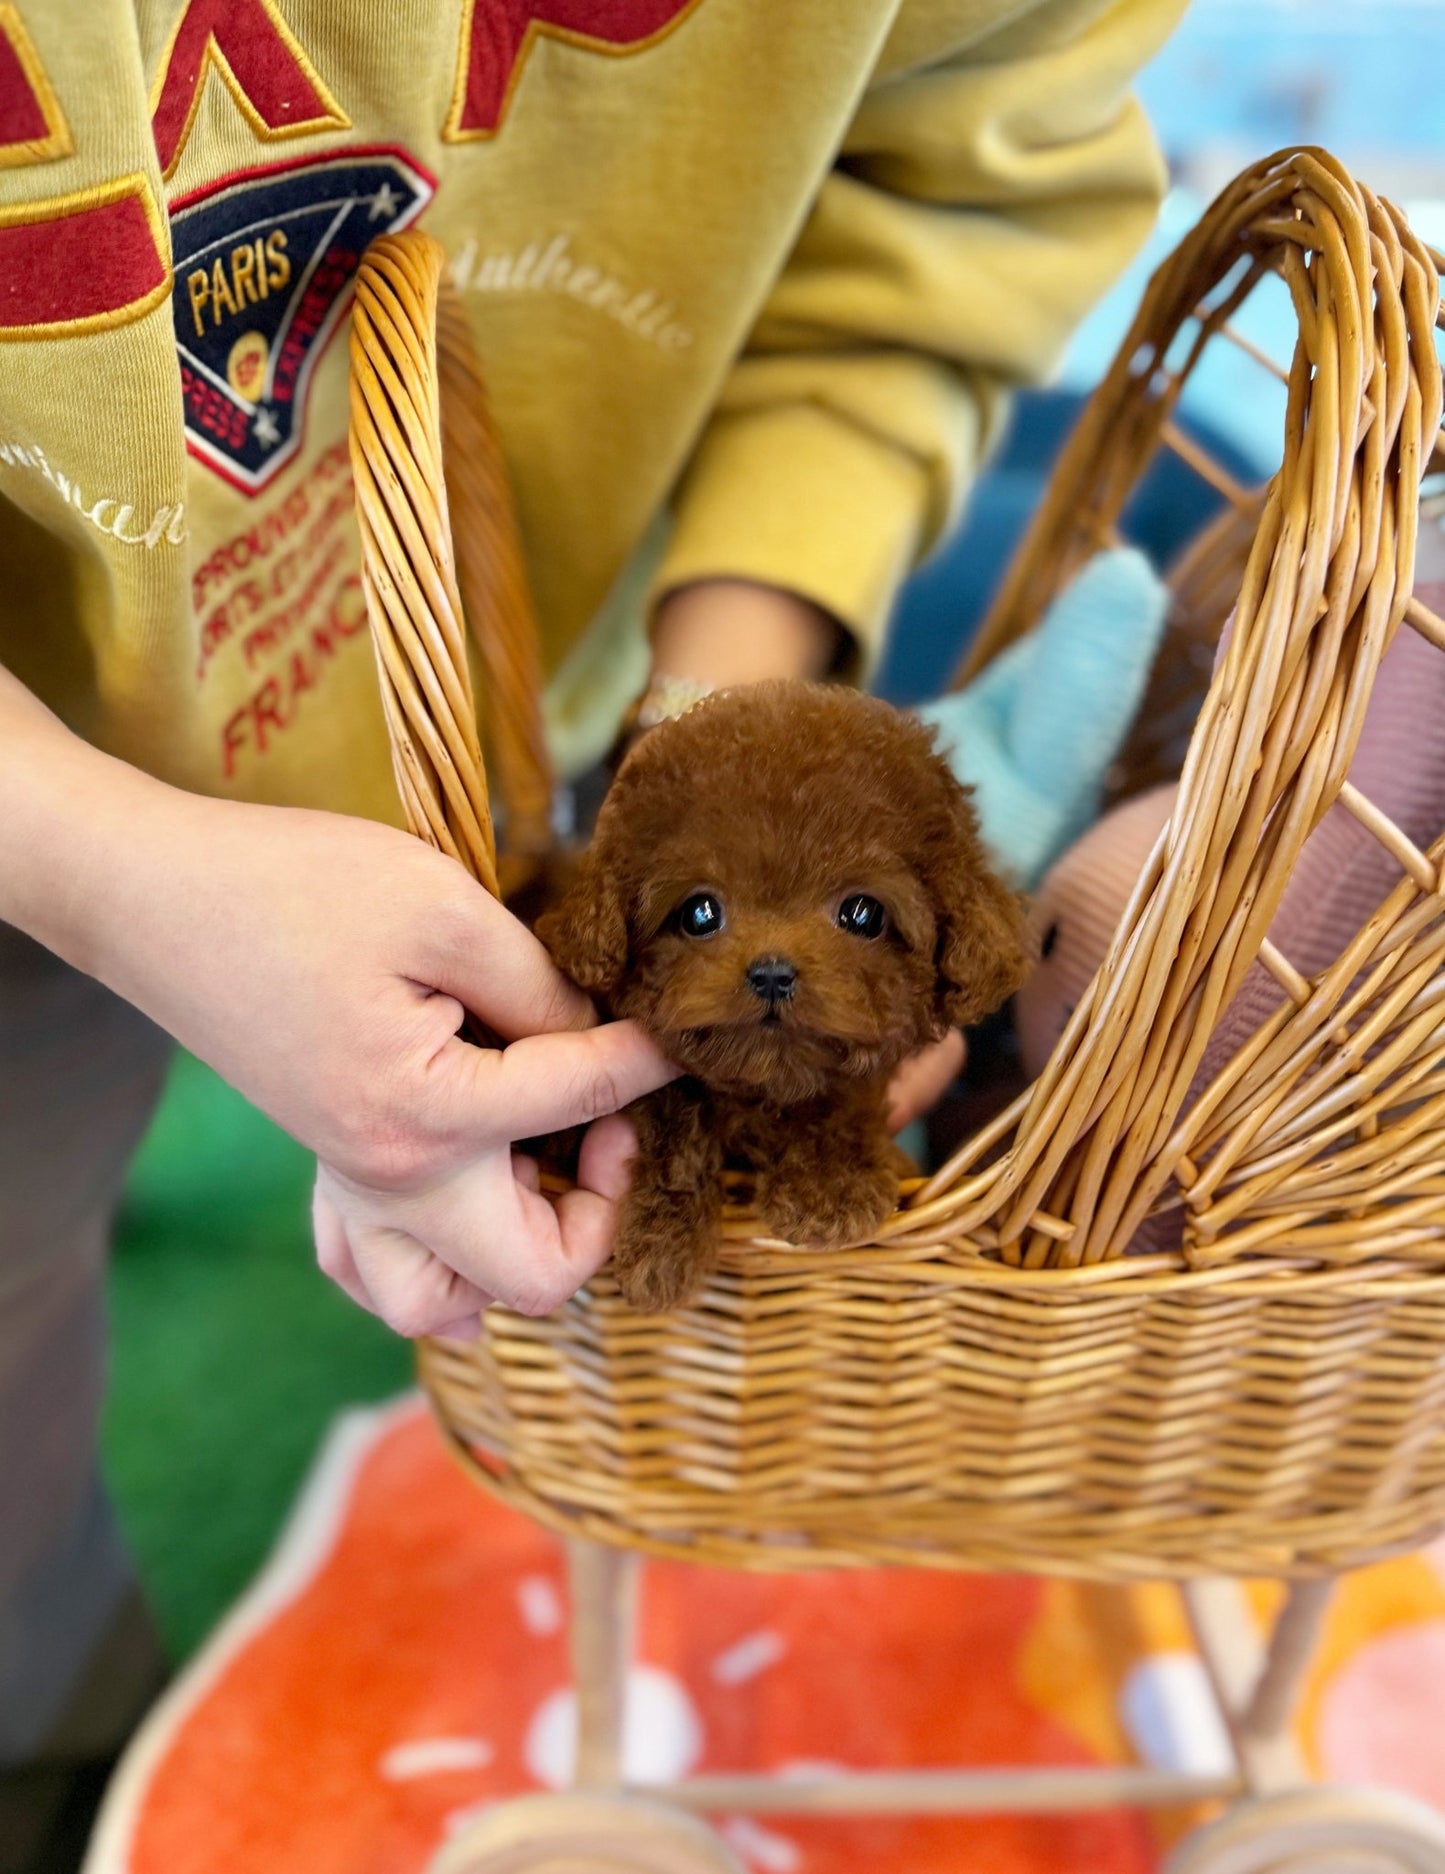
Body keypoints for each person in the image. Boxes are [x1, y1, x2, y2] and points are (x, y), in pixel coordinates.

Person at [0, 0, 1188, 1848]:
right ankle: (51, 1738)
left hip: (555, 649)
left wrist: (703, 715)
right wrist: (88, 856)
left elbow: (955, 184)